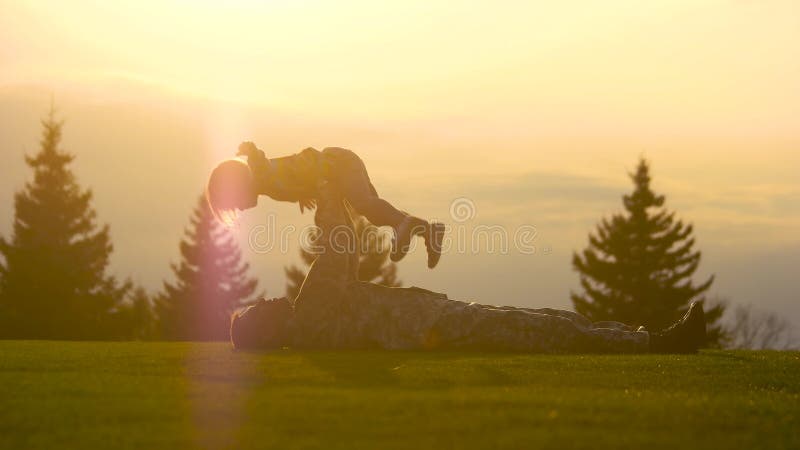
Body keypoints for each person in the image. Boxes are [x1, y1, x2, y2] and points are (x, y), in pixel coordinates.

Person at [229, 183, 707, 354]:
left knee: (553, 321)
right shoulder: (309, 310)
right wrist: (327, 190)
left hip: (437, 319)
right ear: (270, 333)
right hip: (439, 326)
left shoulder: (311, 323)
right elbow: (341, 246)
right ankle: (658, 343)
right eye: (262, 311)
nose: (269, 299)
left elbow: (343, 254)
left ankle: (644, 337)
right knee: (547, 330)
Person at [206, 142, 445, 269]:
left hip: (338, 165)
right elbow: (292, 175)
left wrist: (251, 151)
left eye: (234, 202)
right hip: (337, 168)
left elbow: (262, 164)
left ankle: (405, 224)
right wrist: (304, 194)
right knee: (371, 210)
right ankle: (427, 231)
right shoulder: (270, 187)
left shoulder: (261, 174)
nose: (239, 208)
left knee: (364, 204)